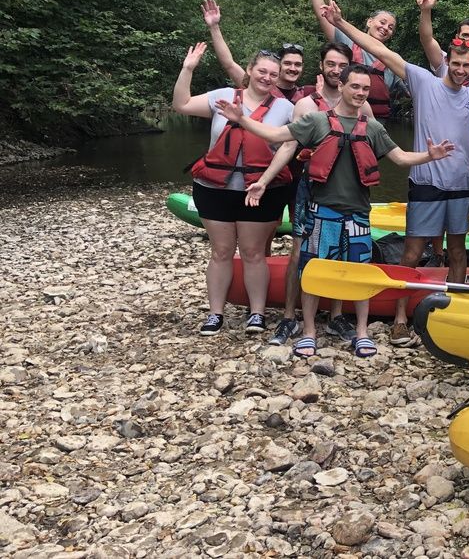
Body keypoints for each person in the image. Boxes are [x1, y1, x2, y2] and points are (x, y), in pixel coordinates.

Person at [217, 64, 454, 359]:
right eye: (354, 86)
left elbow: (401, 158)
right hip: (322, 212)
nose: (360, 93)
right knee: (314, 272)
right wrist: (242, 120)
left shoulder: (373, 128)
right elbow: (277, 135)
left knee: (360, 275)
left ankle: (362, 333)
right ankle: (308, 332)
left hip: (357, 214)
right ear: (341, 87)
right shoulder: (317, 121)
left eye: (365, 89)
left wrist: (429, 156)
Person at [323, 0, 469, 346]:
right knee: (412, 252)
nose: (460, 70)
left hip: (461, 186)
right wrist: (342, 23)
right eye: (456, 63)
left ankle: (453, 309)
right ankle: (401, 316)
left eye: (466, 66)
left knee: (458, 251)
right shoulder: (423, 81)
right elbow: (380, 51)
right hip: (426, 182)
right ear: (448, 59)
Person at [172, 44, 295, 336]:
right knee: (221, 252)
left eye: (272, 74)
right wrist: (188, 68)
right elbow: (182, 105)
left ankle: (257, 313)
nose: (266, 77)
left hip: (261, 190)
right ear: (249, 71)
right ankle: (215, 313)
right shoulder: (223, 97)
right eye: (262, 71)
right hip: (215, 188)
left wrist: (264, 179)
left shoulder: (285, 108)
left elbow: (289, 145)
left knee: (253, 253)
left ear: (277, 79)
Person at [260, 41, 362, 347]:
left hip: (345, 189)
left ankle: (336, 317)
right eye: (330, 64)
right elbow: (289, 144)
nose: (335, 70)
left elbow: (370, 145)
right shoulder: (305, 104)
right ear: (321, 66)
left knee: (342, 249)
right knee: (299, 251)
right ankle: (290, 316)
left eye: (342, 65)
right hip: (310, 188)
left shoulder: (361, 103)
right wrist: (264, 180)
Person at [307, 0, 405, 118]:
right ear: (369, 22)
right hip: (345, 119)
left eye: (390, 27)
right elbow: (322, 13)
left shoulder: (392, 60)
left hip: (376, 126)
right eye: (382, 22)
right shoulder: (347, 41)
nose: (385, 28)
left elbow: (414, 87)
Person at [201, 0, 306, 103]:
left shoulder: (307, 94)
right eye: (287, 63)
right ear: (278, 66)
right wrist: (214, 27)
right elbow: (229, 64)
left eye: (297, 64)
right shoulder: (260, 86)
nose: (293, 68)